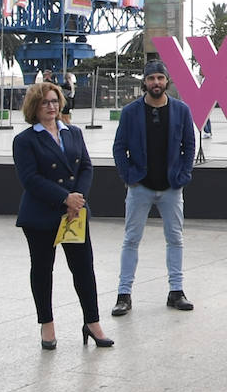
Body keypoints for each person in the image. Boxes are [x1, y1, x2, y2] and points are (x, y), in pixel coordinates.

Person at [13, 82, 112, 349]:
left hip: (74, 214)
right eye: (45, 102)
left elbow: (86, 167)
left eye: (55, 101)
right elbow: (30, 178)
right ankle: (47, 324)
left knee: (83, 269)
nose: (51, 106)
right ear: (34, 106)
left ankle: (92, 322)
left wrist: (77, 198)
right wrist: (63, 197)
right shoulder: (25, 140)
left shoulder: (73, 133)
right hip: (42, 214)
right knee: (43, 270)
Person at [111, 60, 197, 315]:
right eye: (151, 79)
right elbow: (119, 147)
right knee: (131, 239)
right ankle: (124, 294)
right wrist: (128, 176)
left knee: (175, 239)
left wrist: (183, 175)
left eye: (160, 78)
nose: (156, 83)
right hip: (140, 187)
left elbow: (189, 145)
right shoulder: (130, 112)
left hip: (171, 188)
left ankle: (176, 291)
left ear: (167, 81)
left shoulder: (181, 110)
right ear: (145, 83)